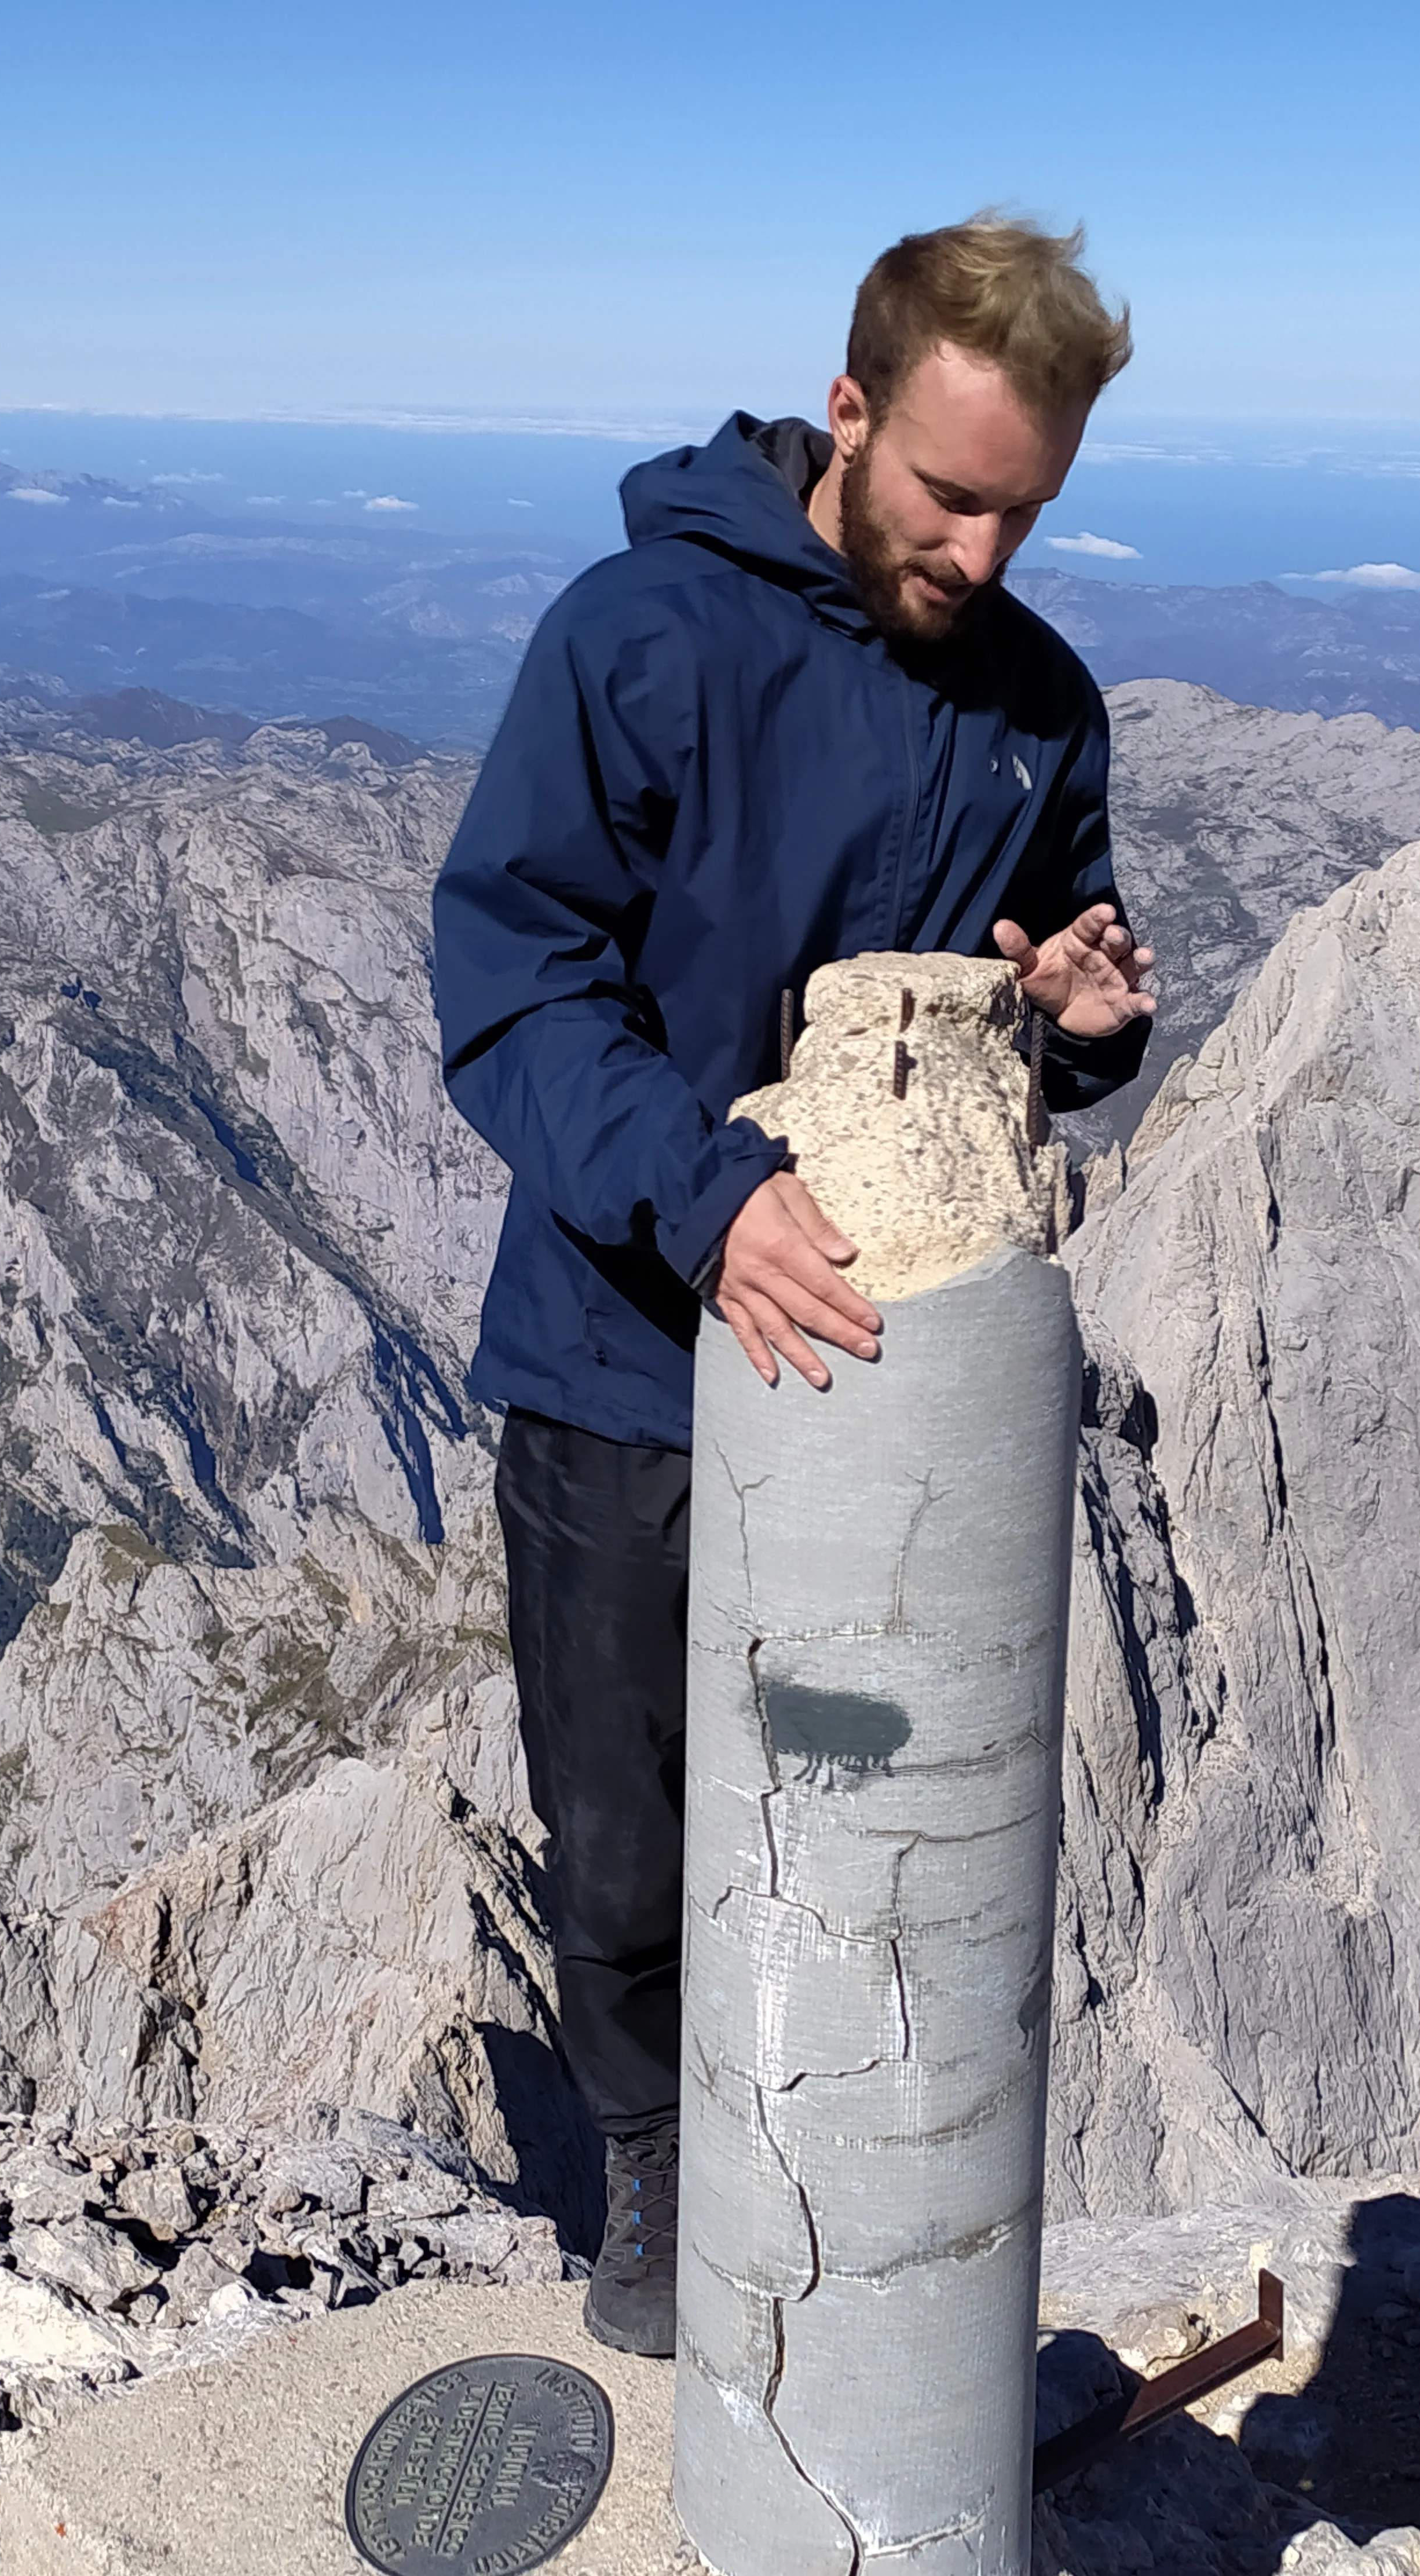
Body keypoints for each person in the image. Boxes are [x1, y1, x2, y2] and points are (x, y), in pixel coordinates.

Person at [428, 214, 1161, 2358]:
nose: (982, 552)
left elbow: (1029, 994)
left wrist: (1079, 1017)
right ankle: (658, 2167)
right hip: (629, 1362)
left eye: (1027, 511)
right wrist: (705, 1194)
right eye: (949, 495)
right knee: (628, 1822)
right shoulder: (641, 638)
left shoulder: (1038, 707)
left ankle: (842, 2159)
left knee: (851, 1786)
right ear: (848, 413)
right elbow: (512, 978)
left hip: (877, 1384)